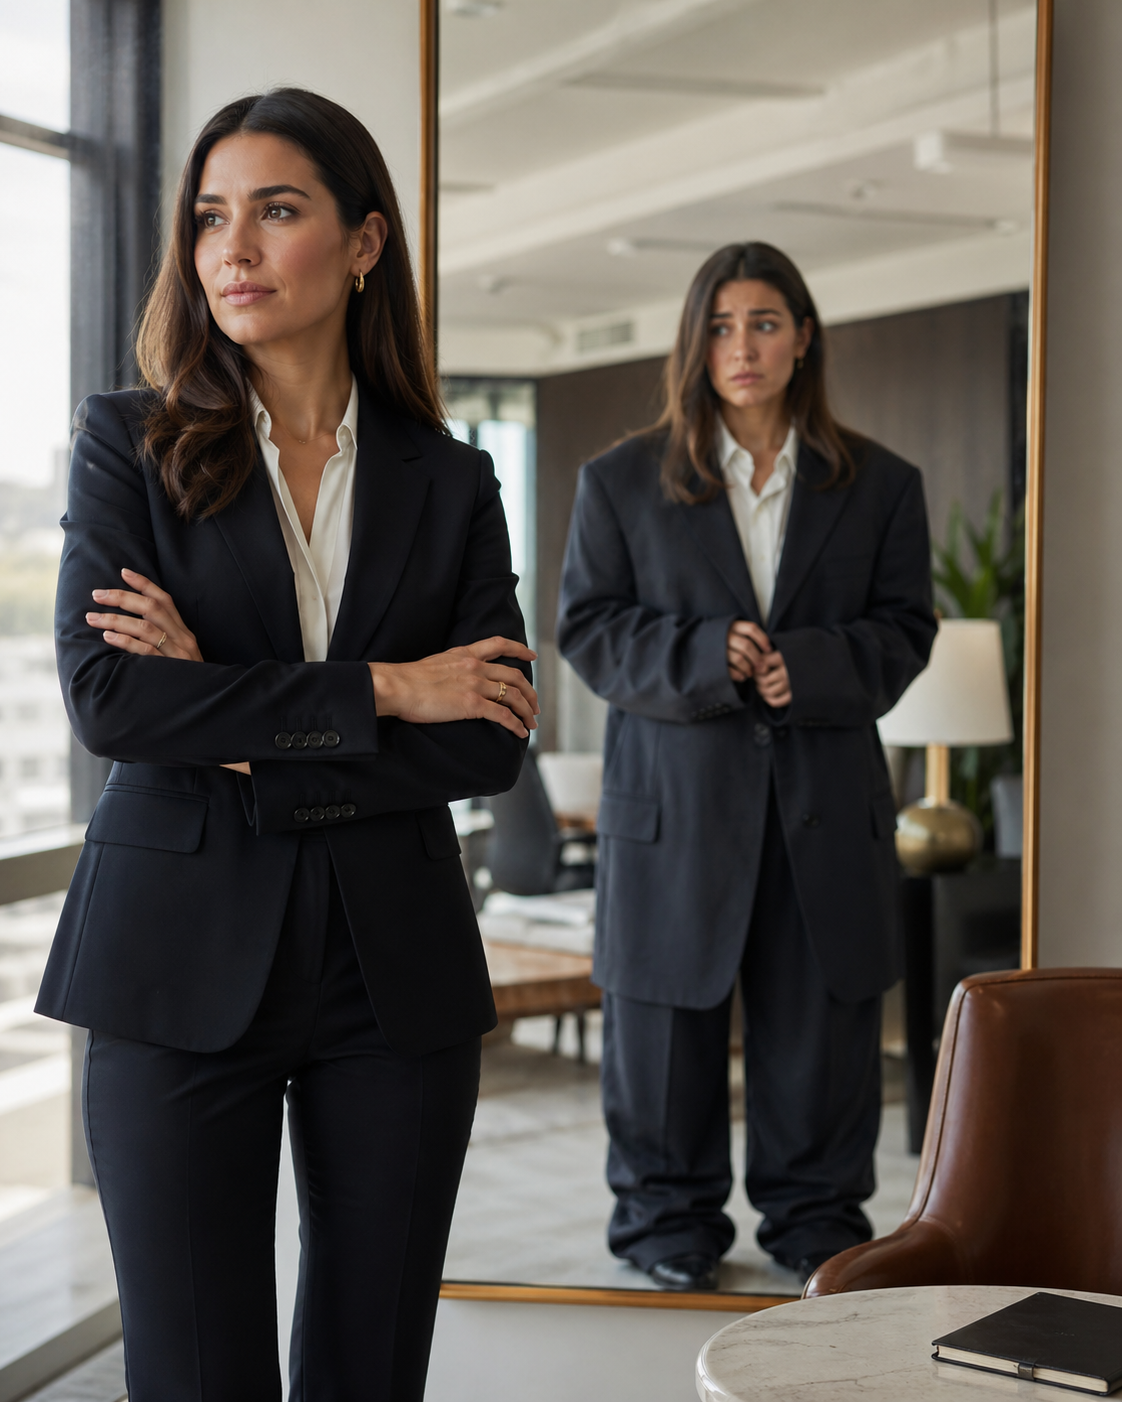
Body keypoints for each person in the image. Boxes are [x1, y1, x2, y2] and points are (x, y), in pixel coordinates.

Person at [35, 88, 538, 1401]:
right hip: (172, 959)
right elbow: (112, 703)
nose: (232, 248)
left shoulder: (452, 476)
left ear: (362, 241)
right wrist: (385, 688)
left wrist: (232, 706)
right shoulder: (125, 447)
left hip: (396, 973)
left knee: (370, 1372)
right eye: (209, 217)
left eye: (276, 209)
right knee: (197, 1375)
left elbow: (485, 733)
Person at [557, 241, 936, 1292]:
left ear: (804, 336)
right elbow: (587, 631)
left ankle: (817, 1219)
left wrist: (804, 668)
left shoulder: (882, 484)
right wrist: (697, 656)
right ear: (694, 343)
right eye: (720, 327)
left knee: (818, 1037)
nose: (743, 347)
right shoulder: (621, 481)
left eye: (765, 322)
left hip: (824, 815)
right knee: (666, 1038)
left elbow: (907, 632)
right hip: (675, 817)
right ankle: (666, 1225)